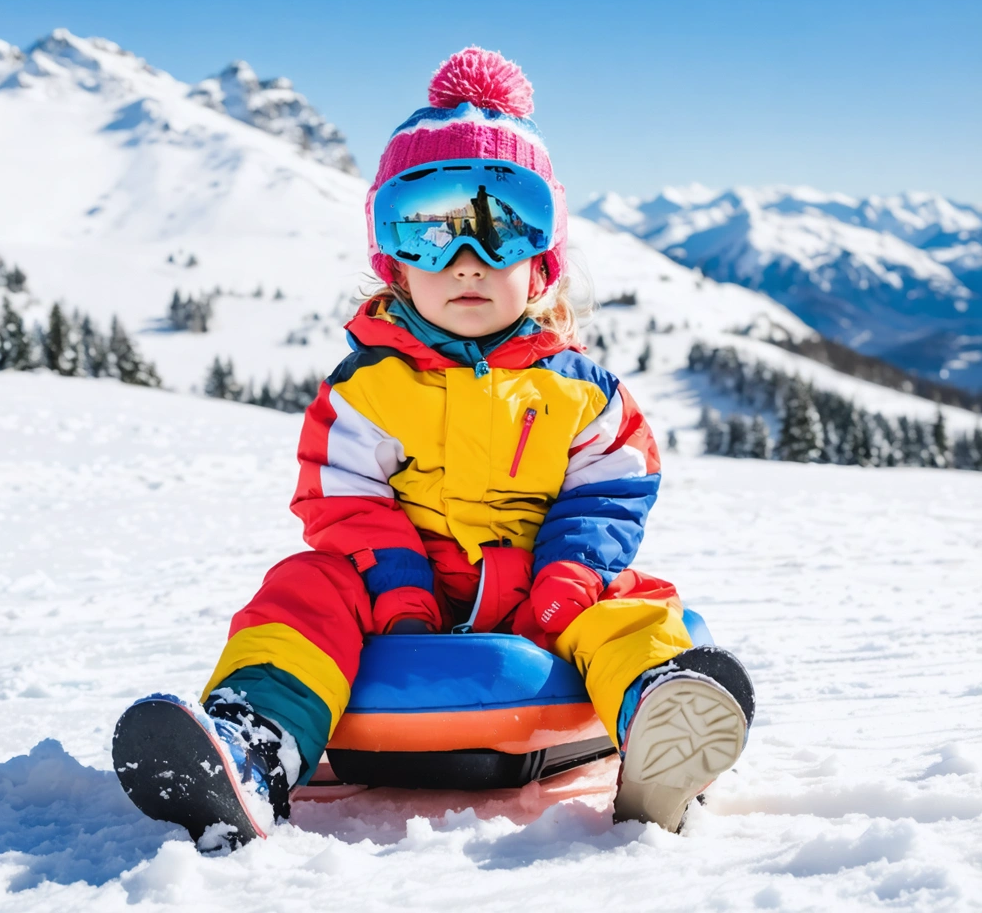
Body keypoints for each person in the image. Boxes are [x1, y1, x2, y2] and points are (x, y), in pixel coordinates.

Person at [116, 47, 754, 844]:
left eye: (501, 225)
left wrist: (570, 576)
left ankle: (662, 722)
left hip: (542, 589)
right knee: (301, 590)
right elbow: (342, 497)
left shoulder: (582, 390)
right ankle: (254, 745)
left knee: (633, 603)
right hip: (395, 594)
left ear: (544, 256)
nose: (465, 259)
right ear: (392, 256)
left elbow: (611, 490)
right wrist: (396, 585)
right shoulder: (368, 388)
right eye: (427, 229)